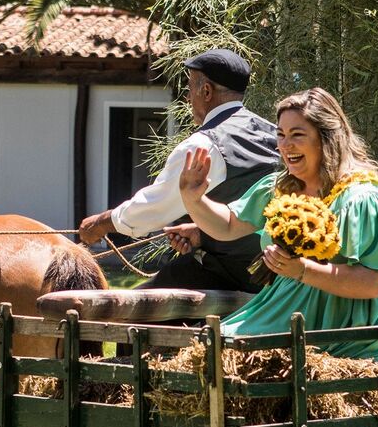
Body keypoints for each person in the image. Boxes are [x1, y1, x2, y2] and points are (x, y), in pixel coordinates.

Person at [178, 86, 378, 357]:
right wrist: (193, 199)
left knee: (228, 348)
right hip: (290, 309)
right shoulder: (280, 187)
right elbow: (227, 225)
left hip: (350, 324)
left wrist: (301, 270)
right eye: (281, 135)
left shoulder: (363, 198)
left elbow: (372, 283)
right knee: (213, 346)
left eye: (297, 135)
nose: (285, 145)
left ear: (327, 139)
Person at [78, 48, 280, 292]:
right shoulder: (274, 133)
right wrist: (202, 234)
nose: (187, 97)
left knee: (130, 308)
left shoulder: (204, 145)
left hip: (234, 275)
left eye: (190, 88)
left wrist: (102, 223)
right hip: (276, 272)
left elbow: (153, 208)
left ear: (206, 91)